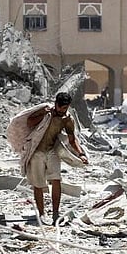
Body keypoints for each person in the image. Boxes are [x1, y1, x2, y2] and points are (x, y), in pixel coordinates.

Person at [24, 92, 88, 224]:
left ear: (68, 106)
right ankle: (41, 214)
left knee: (56, 180)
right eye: (59, 107)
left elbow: (72, 139)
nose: (60, 110)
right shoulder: (45, 112)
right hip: (36, 151)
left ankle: (55, 213)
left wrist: (80, 153)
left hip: (52, 150)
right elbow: (29, 122)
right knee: (38, 184)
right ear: (55, 104)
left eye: (64, 108)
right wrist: (43, 115)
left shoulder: (67, 119)